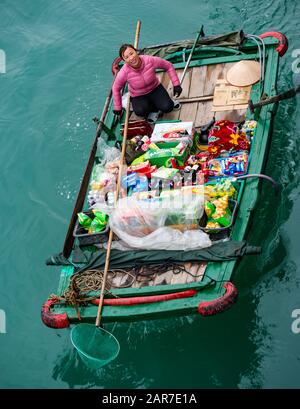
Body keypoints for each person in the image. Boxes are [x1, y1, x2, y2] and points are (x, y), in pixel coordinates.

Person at [112, 44, 182, 118]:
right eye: (127, 57)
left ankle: (165, 103)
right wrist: (118, 108)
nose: (131, 58)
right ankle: (154, 109)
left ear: (136, 52)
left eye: (131, 53)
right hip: (138, 95)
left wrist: (176, 84)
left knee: (168, 107)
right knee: (140, 111)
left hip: (155, 88)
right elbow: (116, 88)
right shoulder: (123, 72)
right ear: (124, 60)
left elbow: (168, 66)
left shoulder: (149, 60)